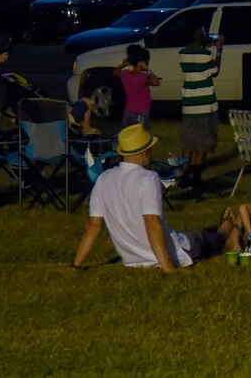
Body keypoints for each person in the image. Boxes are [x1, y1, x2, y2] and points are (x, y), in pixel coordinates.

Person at [69, 124, 240, 273]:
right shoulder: (148, 179)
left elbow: (93, 226)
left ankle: (223, 231)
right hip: (171, 252)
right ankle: (226, 230)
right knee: (204, 241)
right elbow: (151, 223)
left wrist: (76, 265)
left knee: (199, 236)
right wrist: (168, 267)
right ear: (144, 153)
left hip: (131, 259)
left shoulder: (103, 179)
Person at [178, 26, 223, 191]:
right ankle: (196, 176)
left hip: (189, 105)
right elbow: (215, 71)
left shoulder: (182, 53)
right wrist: (219, 50)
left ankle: (183, 176)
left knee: (188, 143)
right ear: (198, 36)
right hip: (205, 105)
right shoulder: (206, 55)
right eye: (204, 33)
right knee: (202, 143)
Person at [115, 43, 160, 130]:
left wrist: (123, 65)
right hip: (141, 112)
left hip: (128, 111)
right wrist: (147, 69)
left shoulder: (125, 74)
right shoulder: (143, 77)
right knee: (142, 136)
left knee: (128, 134)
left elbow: (115, 72)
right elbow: (156, 82)